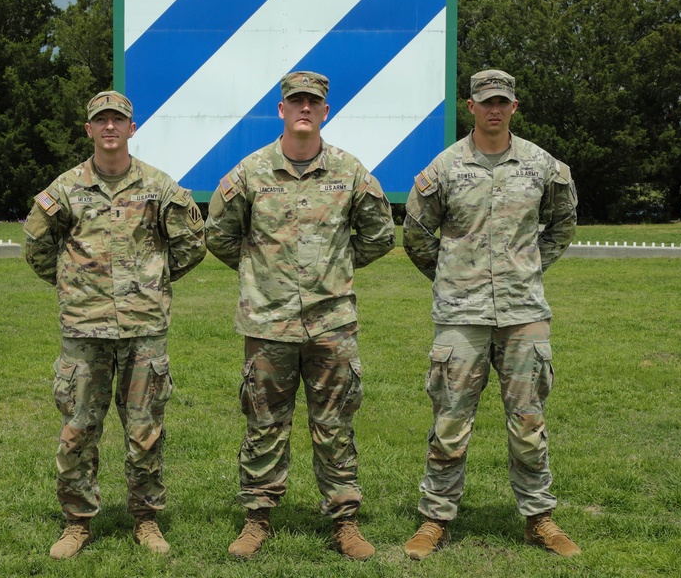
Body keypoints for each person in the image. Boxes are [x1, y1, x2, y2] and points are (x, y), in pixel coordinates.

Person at [204, 71, 395, 561]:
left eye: (313, 102)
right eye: (296, 101)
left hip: (331, 324)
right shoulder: (250, 172)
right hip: (268, 325)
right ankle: (256, 519)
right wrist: (259, 275)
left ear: (325, 111)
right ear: (282, 110)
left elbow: (378, 235)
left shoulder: (349, 172)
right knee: (264, 424)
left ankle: (345, 522)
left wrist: (335, 271)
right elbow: (219, 235)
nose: (304, 108)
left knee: (335, 426)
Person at [401, 69, 580, 560]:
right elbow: (417, 233)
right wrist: (453, 277)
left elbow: (563, 220)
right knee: (450, 421)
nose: (495, 109)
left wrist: (531, 266)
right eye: (486, 102)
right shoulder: (444, 168)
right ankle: (435, 520)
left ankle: (539, 519)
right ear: (471, 107)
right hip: (461, 317)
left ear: (514, 107)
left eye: (503, 101)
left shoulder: (542, 166)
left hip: (524, 313)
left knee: (528, 420)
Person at [23, 90, 206, 560]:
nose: (109, 127)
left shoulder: (158, 187)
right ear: (88, 129)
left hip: (144, 330)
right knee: (78, 428)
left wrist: (154, 283)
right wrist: (73, 285)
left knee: (145, 429)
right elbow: (37, 247)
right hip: (84, 332)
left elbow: (190, 244)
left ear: (131, 128)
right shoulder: (65, 188)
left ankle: (146, 519)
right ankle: (77, 522)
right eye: (100, 120)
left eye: (117, 120)